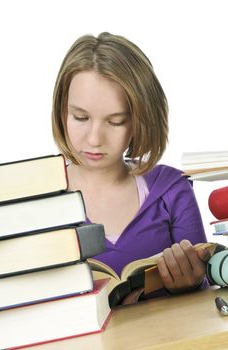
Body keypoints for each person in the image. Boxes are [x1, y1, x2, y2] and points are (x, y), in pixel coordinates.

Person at [52, 32, 210, 304]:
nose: (94, 139)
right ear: (61, 111)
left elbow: (210, 298)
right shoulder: (38, 203)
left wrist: (191, 283)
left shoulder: (171, 190)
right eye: (80, 117)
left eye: (115, 122)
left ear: (140, 120)